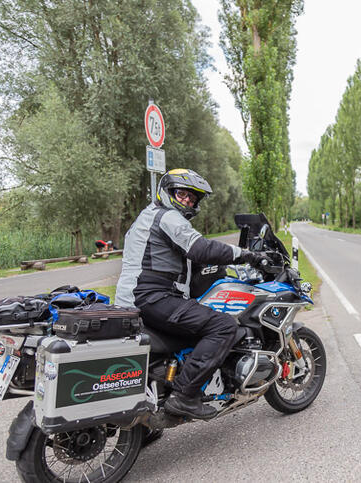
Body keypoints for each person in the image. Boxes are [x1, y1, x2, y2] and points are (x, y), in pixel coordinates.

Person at [115, 168, 270, 420]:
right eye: (182, 194)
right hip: (152, 296)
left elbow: (185, 260)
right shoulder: (167, 216)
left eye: (192, 198)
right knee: (223, 326)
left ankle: (160, 400)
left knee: (195, 328)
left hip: (139, 297)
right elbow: (200, 248)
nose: (187, 200)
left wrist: (223, 267)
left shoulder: (147, 217)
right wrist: (246, 255)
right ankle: (185, 396)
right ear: (166, 192)